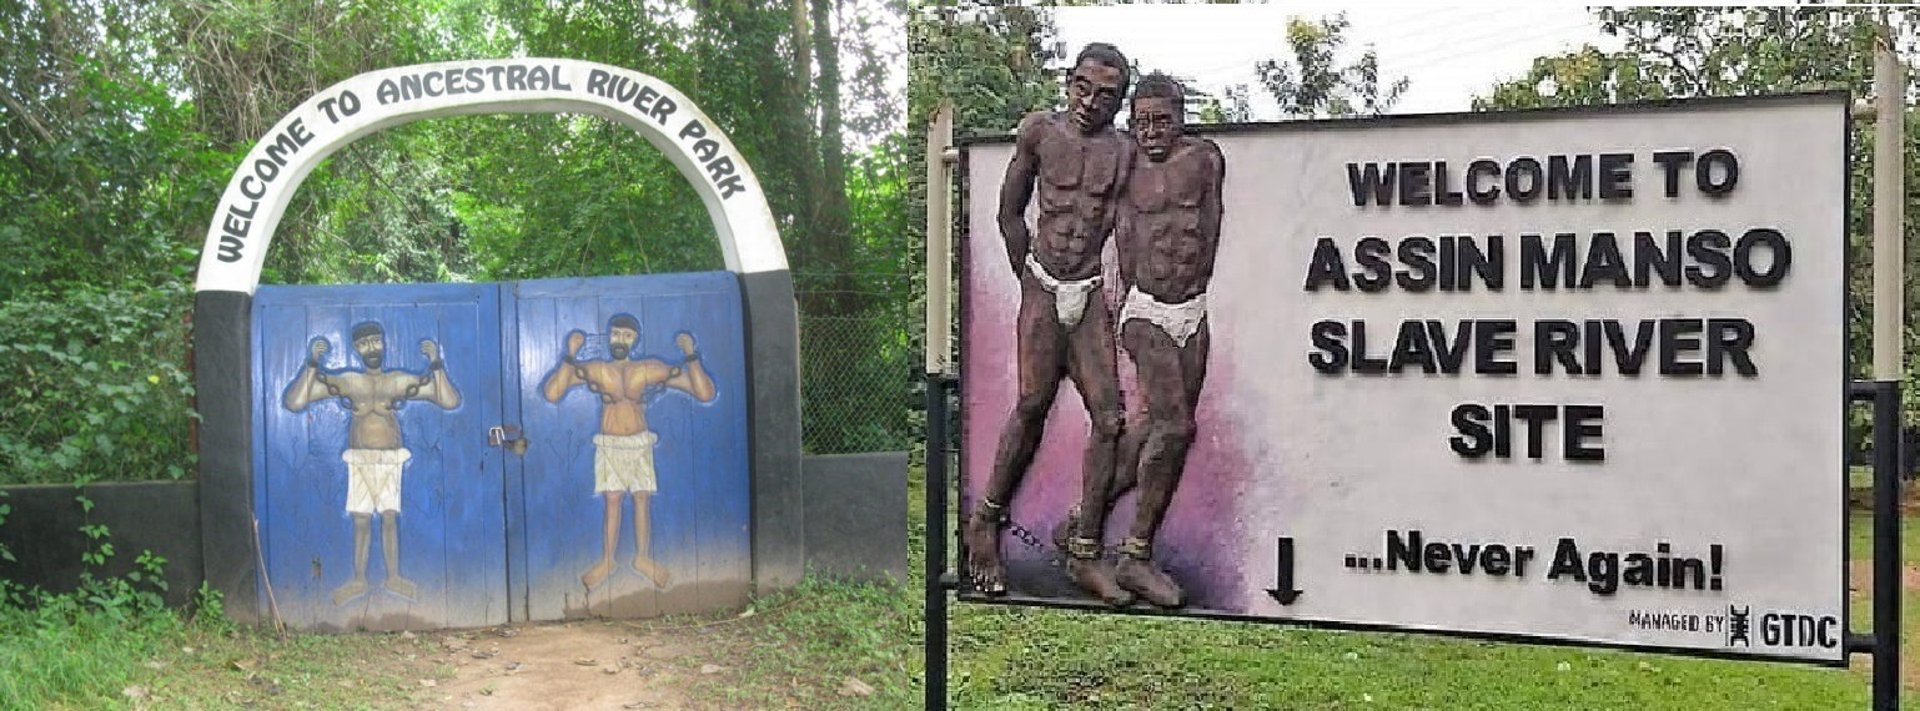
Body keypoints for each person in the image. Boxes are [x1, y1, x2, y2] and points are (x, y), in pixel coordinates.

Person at [965, 42, 1136, 606]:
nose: (1090, 102)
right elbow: (1008, 212)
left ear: (1119, 101)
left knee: (1109, 419)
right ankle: (985, 521)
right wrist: (1029, 278)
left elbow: (1132, 224)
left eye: (1105, 95)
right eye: (1083, 88)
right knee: (1031, 404)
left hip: (1088, 291)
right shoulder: (1039, 131)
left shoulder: (1124, 152)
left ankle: (1083, 548)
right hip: (1043, 281)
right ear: (1068, 83)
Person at [1058, 72, 1226, 608]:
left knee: (1154, 428)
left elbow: (1212, 222)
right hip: (1145, 310)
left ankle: (1081, 520)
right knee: (1176, 427)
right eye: (1143, 121)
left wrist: (1196, 286)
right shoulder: (1124, 164)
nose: (1152, 131)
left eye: (1162, 120)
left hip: (1191, 309)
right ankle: (1135, 554)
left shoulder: (1205, 160)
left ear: (1181, 119)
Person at [283, 321, 462, 606]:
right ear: (356, 348)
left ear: (384, 342)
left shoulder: (398, 381)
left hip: (391, 459)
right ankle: (358, 579)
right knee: (361, 519)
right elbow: (295, 402)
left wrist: (436, 365)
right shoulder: (349, 382)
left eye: (376, 341)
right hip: (360, 459)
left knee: (390, 517)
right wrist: (312, 364)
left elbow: (449, 401)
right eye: (364, 344)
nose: (372, 348)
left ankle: (393, 577)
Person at [541, 314, 714, 591]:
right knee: (612, 500)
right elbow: (552, 393)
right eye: (616, 333)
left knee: (642, 498)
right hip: (609, 444)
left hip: (639, 442)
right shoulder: (597, 370)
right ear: (609, 336)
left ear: (636, 339)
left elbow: (704, 393)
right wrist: (570, 354)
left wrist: (691, 355)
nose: (620, 339)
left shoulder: (648, 368)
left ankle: (642, 557)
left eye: (627, 335)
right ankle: (608, 560)